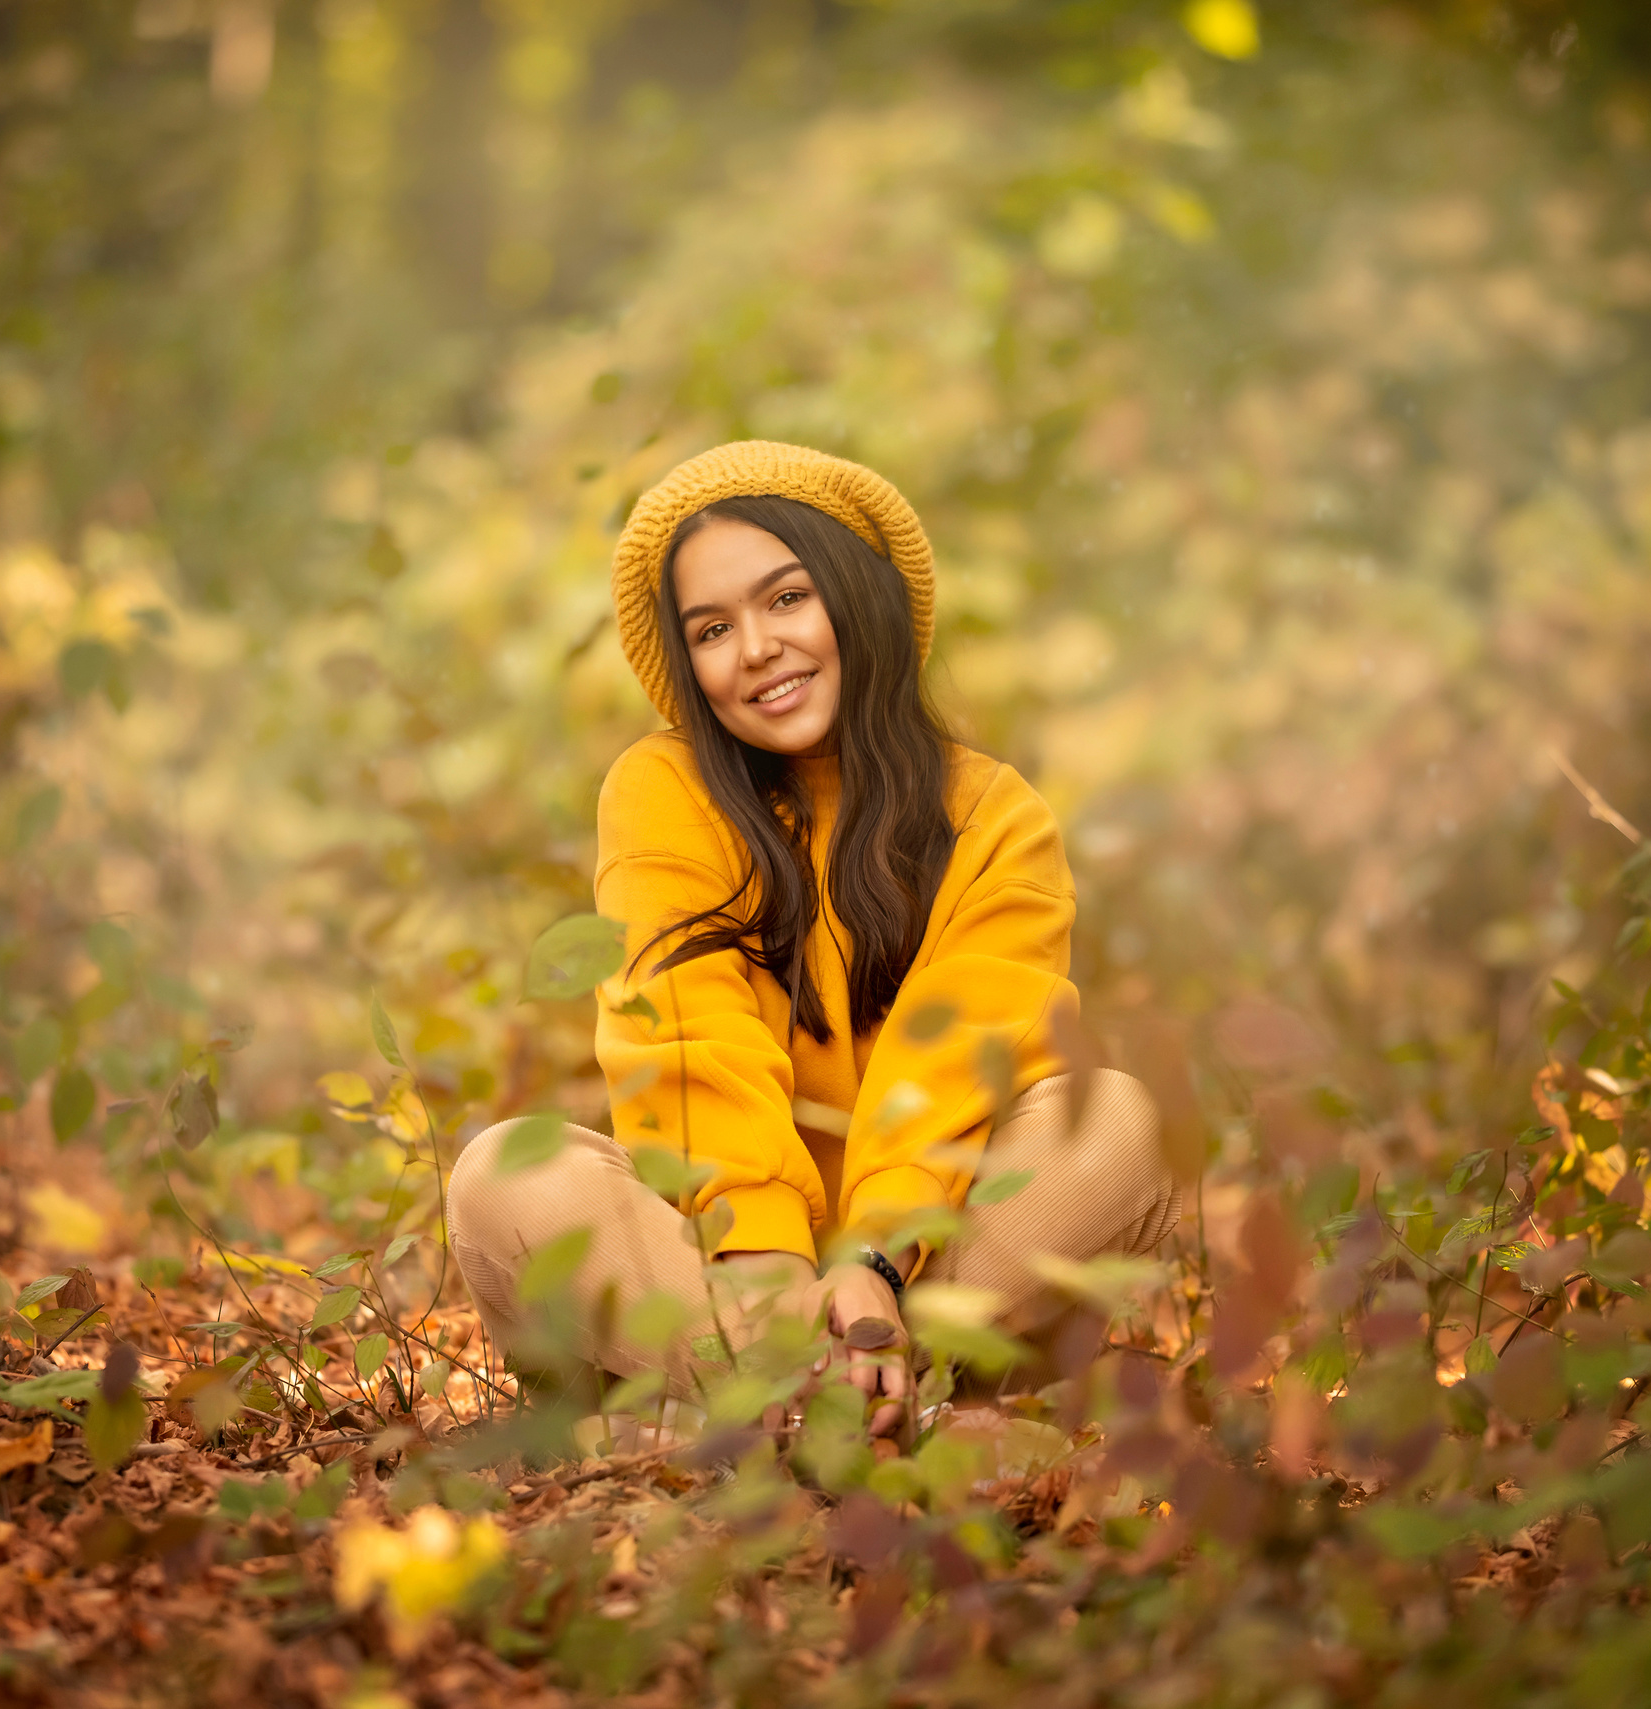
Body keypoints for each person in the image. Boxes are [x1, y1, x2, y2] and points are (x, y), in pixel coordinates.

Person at [448, 440, 1182, 1441]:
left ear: (860, 598)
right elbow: (685, 1039)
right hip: (717, 1273)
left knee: (1120, 1124)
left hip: (919, 1273)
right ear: (687, 663)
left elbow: (962, 1055)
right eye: (712, 628)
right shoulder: (664, 791)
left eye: (786, 599)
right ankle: (812, 1414)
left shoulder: (995, 814)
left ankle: (822, 1409)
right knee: (501, 1172)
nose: (754, 648)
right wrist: (767, 1271)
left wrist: (870, 1267)